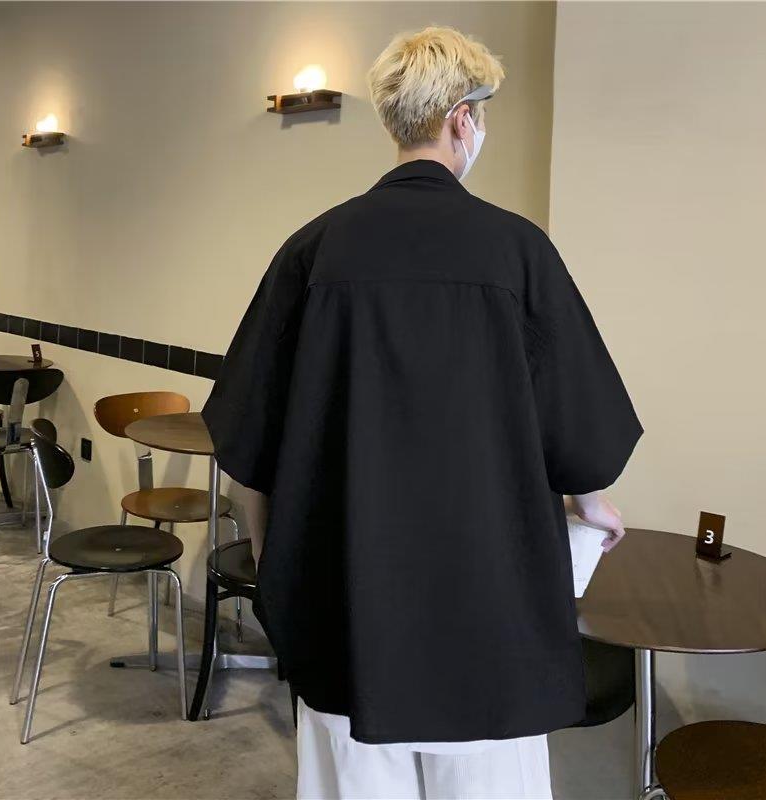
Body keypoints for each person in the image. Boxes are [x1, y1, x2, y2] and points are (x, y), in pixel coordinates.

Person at [202, 25, 643, 800]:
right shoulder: (518, 252)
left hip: (347, 613)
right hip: (489, 618)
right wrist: (596, 507)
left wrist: (277, 569)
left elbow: (249, 444)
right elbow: (578, 435)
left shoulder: (313, 251)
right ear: (462, 120)